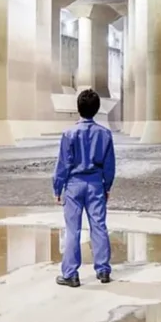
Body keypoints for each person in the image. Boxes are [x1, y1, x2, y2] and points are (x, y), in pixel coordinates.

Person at [53, 88, 116, 287]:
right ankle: (103, 270)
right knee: (99, 226)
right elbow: (109, 165)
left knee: (73, 229)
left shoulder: (69, 133)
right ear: (97, 109)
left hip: (73, 185)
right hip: (96, 184)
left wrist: (57, 187)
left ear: (78, 108)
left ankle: (71, 274)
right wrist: (107, 186)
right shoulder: (105, 134)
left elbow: (63, 164)